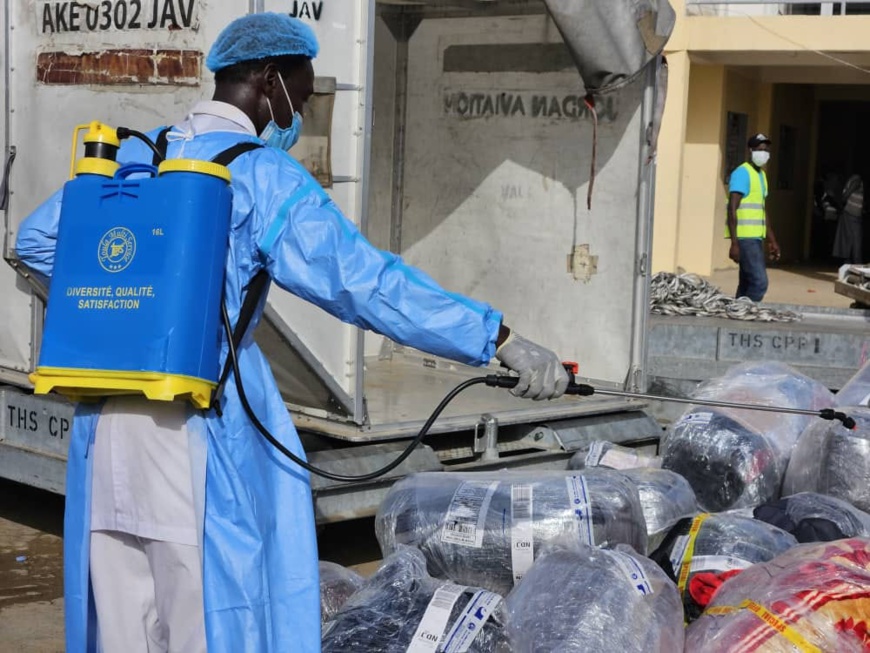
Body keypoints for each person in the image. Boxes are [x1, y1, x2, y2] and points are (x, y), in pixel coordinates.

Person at [15, 13, 571, 653]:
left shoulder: (138, 155)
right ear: (269, 80)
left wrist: (129, 308)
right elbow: (366, 284)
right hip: (194, 428)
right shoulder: (259, 176)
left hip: (106, 426)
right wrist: (494, 336)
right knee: (211, 618)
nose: (299, 114)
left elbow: (36, 241)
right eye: (301, 96)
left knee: (123, 627)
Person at [726, 133, 781, 302]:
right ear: (750, 151)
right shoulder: (742, 173)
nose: (763, 153)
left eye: (765, 150)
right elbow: (731, 209)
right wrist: (734, 243)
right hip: (745, 238)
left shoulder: (761, 175)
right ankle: (745, 316)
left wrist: (771, 240)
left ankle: (736, 315)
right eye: (759, 150)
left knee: (746, 283)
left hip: (756, 237)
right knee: (759, 282)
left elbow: (762, 210)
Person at [833, 172, 864, 264]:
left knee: (849, 241)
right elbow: (847, 194)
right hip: (852, 214)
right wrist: (843, 201)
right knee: (855, 242)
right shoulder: (856, 179)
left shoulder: (852, 179)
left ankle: (850, 264)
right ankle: (856, 265)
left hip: (851, 213)